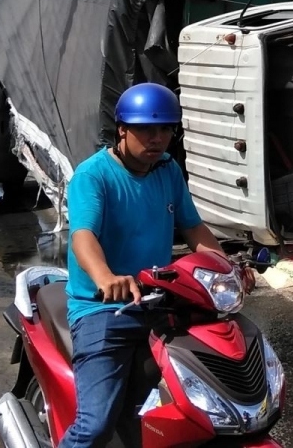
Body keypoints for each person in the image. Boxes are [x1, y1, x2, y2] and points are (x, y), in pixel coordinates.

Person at [60, 83, 226, 448]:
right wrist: (106, 278)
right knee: (95, 425)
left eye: (165, 129)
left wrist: (226, 268)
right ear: (122, 128)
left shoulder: (167, 170)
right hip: (104, 310)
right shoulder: (93, 176)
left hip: (160, 303)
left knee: (211, 399)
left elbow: (193, 226)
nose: (157, 138)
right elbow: (83, 236)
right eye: (146, 129)